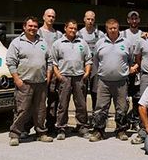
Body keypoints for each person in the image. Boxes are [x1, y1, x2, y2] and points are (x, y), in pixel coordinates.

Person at [6, 16, 54, 146]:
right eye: (30, 26)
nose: (32, 28)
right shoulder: (17, 42)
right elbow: (10, 62)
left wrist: (48, 75)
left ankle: (41, 133)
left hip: (41, 83)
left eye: (35, 26)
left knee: (40, 110)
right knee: (22, 110)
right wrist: (17, 80)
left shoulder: (42, 42)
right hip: (24, 83)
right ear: (24, 27)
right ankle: (15, 134)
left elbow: (50, 60)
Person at [90, 19, 139, 142]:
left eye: (115, 28)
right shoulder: (100, 43)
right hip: (103, 82)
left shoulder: (126, 43)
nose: (113, 30)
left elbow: (130, 59)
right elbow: (95, 61)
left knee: (122, 107)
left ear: (118, 28)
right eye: (110, 28)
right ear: (106, 29)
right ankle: (99, 131)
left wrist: (128, 71)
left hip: (121, 82)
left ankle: (121, 130)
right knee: (100, 107)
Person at [50, 19, 92, 140]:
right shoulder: (58, 43)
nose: (73, 30)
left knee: (81, 104)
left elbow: (88, 59)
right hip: (64, 77)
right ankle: (61, 128)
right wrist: (58, 76)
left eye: (75, 28)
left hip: (79, 77)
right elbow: (53, 62)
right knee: (63, 104)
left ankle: (82, 126)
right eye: (70, 28)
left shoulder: (82, 43)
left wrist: (87, 73)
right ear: (65, 28)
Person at [39, 9, 63, 135]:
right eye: (48, 16)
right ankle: (30, 126)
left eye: (53, 16)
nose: (51, 18)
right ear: (43, 17)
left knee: (53, 101)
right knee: (37, 101)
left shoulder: (58, 34)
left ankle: (50, 126)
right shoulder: (36, 32)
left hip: (54, 73)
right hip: (39, 73)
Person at [78, 10, 105, 114]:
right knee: (81, 93)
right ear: (84, 19)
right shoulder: (78, 34)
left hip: (95, 67)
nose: (90, 21)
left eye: (92, 19)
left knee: (96, 92)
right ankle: (82, 117)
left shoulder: (100, 34)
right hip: (82, 66)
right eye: (88, 19)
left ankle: (96, 115)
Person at [122, 11, 145, 131]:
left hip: (137, 71)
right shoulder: (122, 34)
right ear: (128, 20)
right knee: (124, 97)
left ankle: (135, 120)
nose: (134, 21)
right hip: (125, 70)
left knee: (137, 97)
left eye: (136, 19)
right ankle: (124, 120)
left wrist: (136, 66)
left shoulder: (143, 34)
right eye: (132, 19)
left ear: (139, 20)